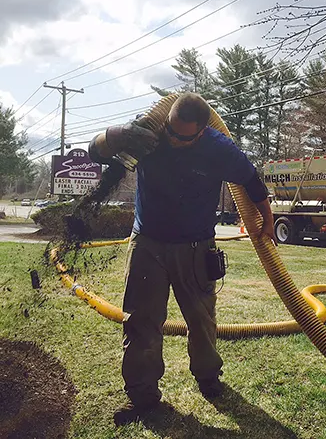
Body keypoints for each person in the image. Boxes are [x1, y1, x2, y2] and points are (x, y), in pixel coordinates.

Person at [88, 92, 276, 426]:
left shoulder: (218, 148)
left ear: (202, 131)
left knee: (202, 320)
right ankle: (142, 394)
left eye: (183, 137)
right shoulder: (149, 135)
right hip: (148, 242)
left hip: (195, 246)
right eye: (171, 132)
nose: (174, 140)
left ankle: (208, 378)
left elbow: (251, 180)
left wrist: (267, 218)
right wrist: (118, 133)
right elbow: (96, 151)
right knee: (141, 320)